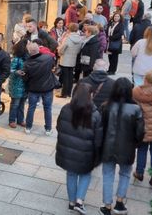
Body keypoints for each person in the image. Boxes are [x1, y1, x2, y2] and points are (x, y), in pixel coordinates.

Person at [99, 78, 145, 215]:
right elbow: (140, 132)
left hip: (108, 147)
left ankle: (107, 206)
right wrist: (135, 144)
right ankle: (119, 203)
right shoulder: (136, 109)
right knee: (125, 174)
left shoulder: (106, 106)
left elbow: (100, 128)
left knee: (107, 175)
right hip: (127, 148)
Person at [56, 83, 103, 214]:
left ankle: (71, 203)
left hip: (67, 151)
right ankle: (79, 202)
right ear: (90, 96)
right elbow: (98, 138)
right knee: (85, 174)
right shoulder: (95, 114)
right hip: (86, 153)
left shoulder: (66, 109)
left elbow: (59, 127)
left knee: (71, 174)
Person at [23, 42, 57, 135]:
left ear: (29, 52)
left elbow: (26, 78)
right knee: (48, 108)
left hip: (34, 89)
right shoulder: (48, 58)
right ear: (38, 49)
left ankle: (28, 127)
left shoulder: (27, 63)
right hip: (47, 88)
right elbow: (53, 66)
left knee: (31, 108)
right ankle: (48, 129)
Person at [57, 23, 83, 98]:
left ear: (69, 29)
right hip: (73, 58)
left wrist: (59, 51)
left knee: (65, 77)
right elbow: (78, 50)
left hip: (65, 59)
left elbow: (62, 48)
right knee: (70, 77)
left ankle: (64, 94)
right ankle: (68, 93)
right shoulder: (80, 38)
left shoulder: (68, 38)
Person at [8, 39, 28, 128]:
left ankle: (20, 120)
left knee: (22, 103)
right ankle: (12, 120)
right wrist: (17, 72)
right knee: (15, 103)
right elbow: (11, 70)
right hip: (16, 84)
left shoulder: (28, 57)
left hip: (25, 84)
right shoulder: (16, 59)